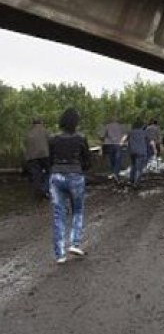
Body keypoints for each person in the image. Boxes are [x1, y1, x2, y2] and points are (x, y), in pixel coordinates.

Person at [48, 107, 91, 264]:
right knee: (77, 211)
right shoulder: (81, 138)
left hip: (56, 176)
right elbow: (87, 161)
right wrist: (81, 168)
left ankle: (60, 254)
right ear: (76, 122)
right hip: (75, 175)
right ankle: (74, 243)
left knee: (58, 214)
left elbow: (49, 159)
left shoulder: (53, 139)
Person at [24, 118, 50, 199]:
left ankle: (38, 193)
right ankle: (44, 189)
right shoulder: (45, 131)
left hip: (31, 158)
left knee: (36, 175)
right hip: (44, 155)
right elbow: (51, 142)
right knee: (50, 172)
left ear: (33, 123)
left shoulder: (29, 132)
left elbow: (26, 146)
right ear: (41, 122)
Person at [124, 120, 150, 188]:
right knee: (139, 168)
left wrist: (124, 145)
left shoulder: (130, 132)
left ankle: (131, 180)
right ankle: (136, 183)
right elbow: (149, 141)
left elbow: (124, 139)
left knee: (133, 166)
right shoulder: (144, 132)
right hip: (141, 152)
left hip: (132, 152)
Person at [101, 116, 123, 181]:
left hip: (109, 144)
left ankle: (113, 172)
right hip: (117, 144)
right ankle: (116, 173)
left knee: (112, 159)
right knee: (117, 159)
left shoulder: (107, 126)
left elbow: (103, 136)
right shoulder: (120, 126)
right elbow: (124, 135)